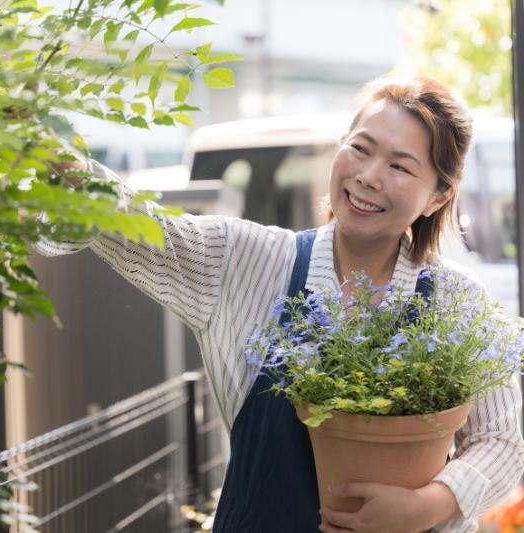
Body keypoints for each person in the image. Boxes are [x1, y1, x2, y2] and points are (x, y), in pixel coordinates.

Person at [30, 76, 524, 532]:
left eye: (399, 165)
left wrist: (426, 506)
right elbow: (136, 220)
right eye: (360, 148)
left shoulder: (457, 301)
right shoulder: (250, 260)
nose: (370, 176)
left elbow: (502, 442)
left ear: (438, 197)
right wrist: (43, 149)